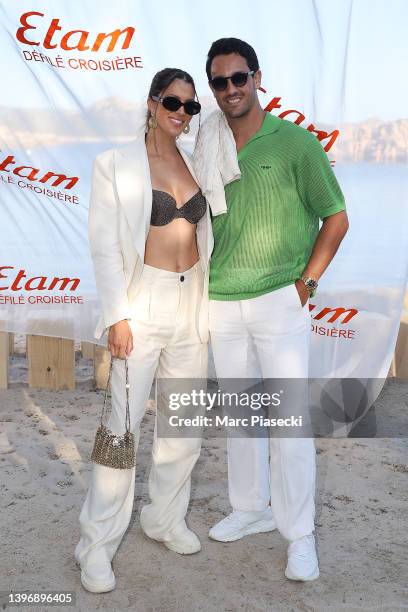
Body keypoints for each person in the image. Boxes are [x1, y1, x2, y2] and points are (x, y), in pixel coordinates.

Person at [194, 38, 349, 582]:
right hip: (220, 300)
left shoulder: (295, 143)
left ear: (257, 78)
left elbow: (335, 217)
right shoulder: (204, 142)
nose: (231, 90)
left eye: (239, 78)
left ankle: (299, 535)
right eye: (219, 82)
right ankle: (250, 508)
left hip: (280, 300)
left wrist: (305, 284)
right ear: (210, 86)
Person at [75, 68, 213, 593]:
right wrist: (118, 316)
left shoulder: (198, 160)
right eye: (174, 102)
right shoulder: (114, 164)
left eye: (191, 106)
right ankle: (96, 545)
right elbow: (106, 247)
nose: (182, 112)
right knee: (120, 432)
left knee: (183, 425)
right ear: (153, 102)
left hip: (191, 302)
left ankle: (164, 519)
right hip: (142, 303)